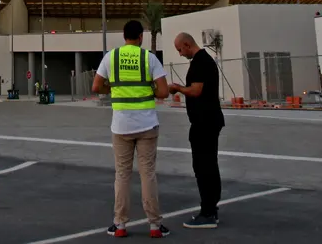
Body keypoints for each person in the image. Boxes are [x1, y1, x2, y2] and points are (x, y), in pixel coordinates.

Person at [92, 20, 171, 238]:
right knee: (148, 175)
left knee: (122, 175)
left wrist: (114, 88)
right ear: (141, 37)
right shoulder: (149, 57)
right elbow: (163, 92)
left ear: (124, 36)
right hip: (147, 125)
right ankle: (155, 225)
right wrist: (149, 89)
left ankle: (120, 225)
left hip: (121, 126)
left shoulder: (111, 57)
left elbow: (96, 86)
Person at [170, 33, 225, 230]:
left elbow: (196, 90)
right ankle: (211, 207)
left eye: (179, 49)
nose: (179, 53)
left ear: (187, 44)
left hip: (205, 122)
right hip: (206, 121)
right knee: (208, 165)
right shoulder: (202, 61)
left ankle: (208, 212)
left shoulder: (201, 62)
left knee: (204, 167)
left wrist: (177, 88)